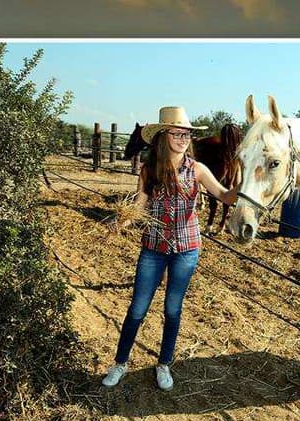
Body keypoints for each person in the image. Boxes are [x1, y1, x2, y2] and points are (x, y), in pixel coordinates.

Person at [101, 105, 240, 392]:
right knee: (138, 309)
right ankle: (120, 364)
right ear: (163, 136)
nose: (183, 138)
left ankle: (164, 364)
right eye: (177, 133)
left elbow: (226, 196)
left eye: (186, 133)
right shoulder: (149, 169)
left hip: (187, 249)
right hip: (153, 248)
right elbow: (140, 204)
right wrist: (122, 221)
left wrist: (244, 183)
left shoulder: (198, 170)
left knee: (172, 310)